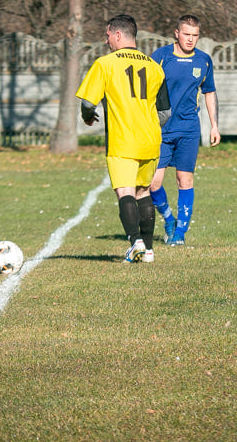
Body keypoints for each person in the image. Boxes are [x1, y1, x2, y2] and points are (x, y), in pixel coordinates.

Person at [76, 14, 171, 263]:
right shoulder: (154, 67)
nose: (106, 40)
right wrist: (148, 125)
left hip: (122, 141)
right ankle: (148, 251)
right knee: (143, 193)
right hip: (151, 139)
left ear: (118, 35)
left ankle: (135, 242)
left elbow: (88, 103)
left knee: (125, 192)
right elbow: (165, 112)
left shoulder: (105, 64)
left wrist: (87, 117)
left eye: (107, 35)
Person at [149, 15, 220, 246]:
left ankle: (180, 233)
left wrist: (214, 125)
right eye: (186, 34)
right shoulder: (160, 57)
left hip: (189, 129)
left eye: (195, 35)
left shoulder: (204, 61)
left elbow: (209, 92)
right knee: (153, 184)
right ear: (176, 33)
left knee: (184, 180)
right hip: (160, 130)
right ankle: (169, 218)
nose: (190, 39)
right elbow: (146, 90)